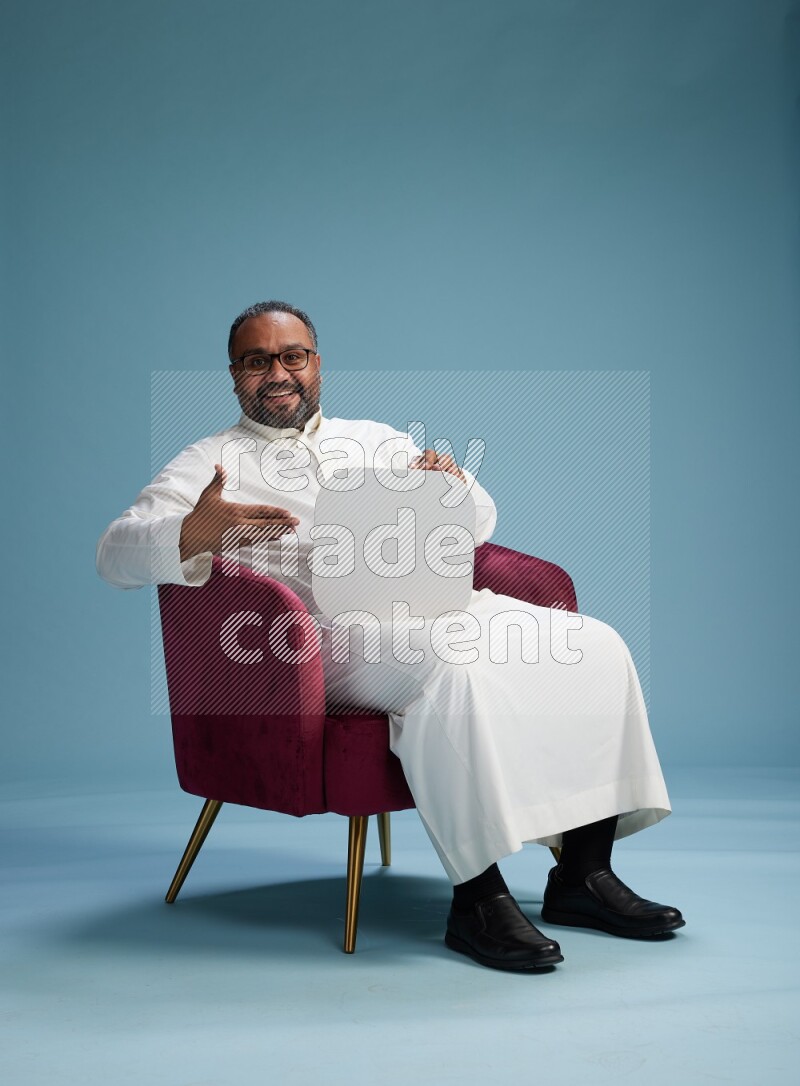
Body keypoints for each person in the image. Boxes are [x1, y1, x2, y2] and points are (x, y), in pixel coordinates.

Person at [97, 299, 685, 972]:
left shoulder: (377, 439)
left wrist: (452, 487)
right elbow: (115, 553)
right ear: (234, 375)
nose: (277, 372)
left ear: (317, 364)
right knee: (449, 670)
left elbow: (481, 524)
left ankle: (582, 874)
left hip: (436, 604)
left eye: (292, 356)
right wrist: (193, 534)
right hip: (315, 640)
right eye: (257, 360)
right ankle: (478, 897)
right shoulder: (207, 461)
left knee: (594, 645)